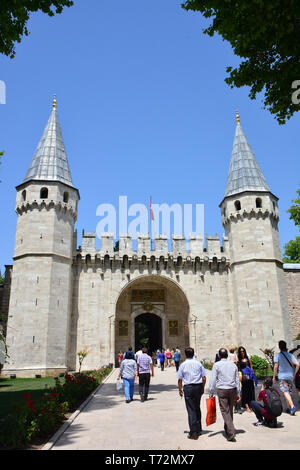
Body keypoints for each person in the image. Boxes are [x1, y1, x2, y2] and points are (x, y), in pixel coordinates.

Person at [209, 348, 241, 442]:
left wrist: (211, 391)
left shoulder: (216, 365)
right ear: (227, 356)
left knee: (225, 411)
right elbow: (237, 380)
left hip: (222, 389)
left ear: (219, 356)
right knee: (229, 410)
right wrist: (238, 392)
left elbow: (213, 379)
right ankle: (227, 428)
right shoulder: (233, 365)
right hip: (232, 389)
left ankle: (231, 431)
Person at [177, 347, 206, 440]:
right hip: (198, 386)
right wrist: (203, 387)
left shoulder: (183, 365)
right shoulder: (198, 364)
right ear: (193, 354)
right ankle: (199, 429)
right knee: (197, 407)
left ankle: (193, 432)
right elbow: (204, 377)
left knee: (191, 410)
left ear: (185, 354)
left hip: (188, 387)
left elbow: (180, 379)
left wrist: (180, 389)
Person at [273, 340, 299, 415]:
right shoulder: (290, 355)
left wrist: (274, 376)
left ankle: (292, 406)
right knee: (289, 392)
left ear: (279, 347)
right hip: (290, 376)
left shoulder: (278, 355)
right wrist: (294, 374)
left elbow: (275, 366)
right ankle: (288, 408)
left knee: (285, 392)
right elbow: (298, 364)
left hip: (282, 376)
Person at [237, 346, 255, 413]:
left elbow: (251, 367)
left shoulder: (248, 358)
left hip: (250, 377)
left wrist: (253, 375)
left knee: (251, 392)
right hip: (244, 377)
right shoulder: (238, 360)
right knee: (245, 392)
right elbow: (238, 369)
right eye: (241, 351)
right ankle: (247, 406)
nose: (242, 352)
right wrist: (239, 376)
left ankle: (251, 405)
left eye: (243, 351)